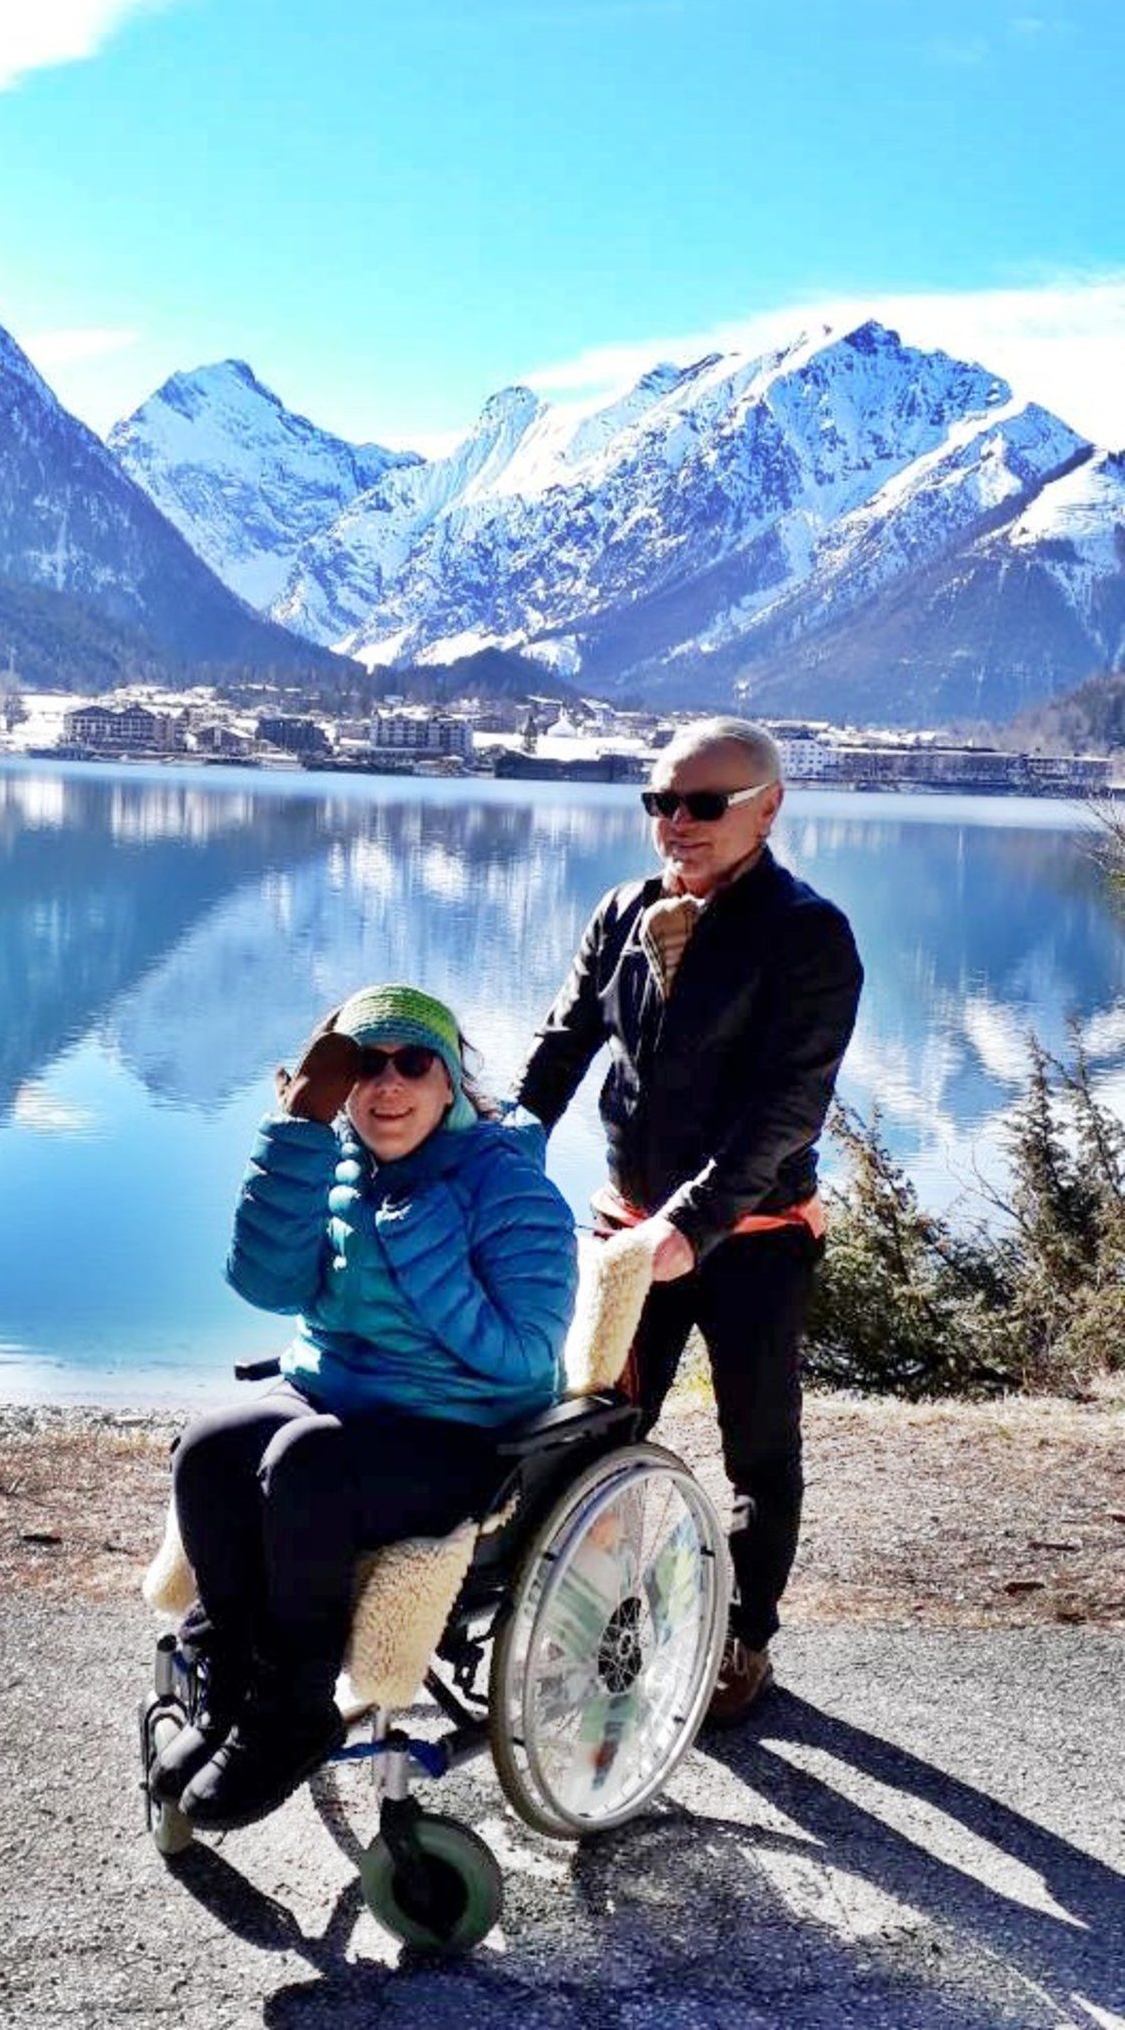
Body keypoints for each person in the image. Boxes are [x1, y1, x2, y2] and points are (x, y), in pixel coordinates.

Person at [153, 983, 578, 1830]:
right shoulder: (337, 1162)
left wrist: (420, 1237)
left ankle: (292, 1709)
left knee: (304, 1466)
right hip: (333, 1397)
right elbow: (266, 1284)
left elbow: (525, 1353)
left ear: (450, 1081)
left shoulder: (509, 1187)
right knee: (208, 1448)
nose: (388, 1085)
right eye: (362, 1066)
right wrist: (298, 1137)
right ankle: (233, 1682)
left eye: (412, 1063)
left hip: (462, 1430)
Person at [513, 718, 863, 1725]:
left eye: (702, 803)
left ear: (768, 807)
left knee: (758, 1443)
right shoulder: (624, 909)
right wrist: (492, 1152)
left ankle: (742, 1636)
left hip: (754, 1239)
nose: (675, 822)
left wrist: (692, 1223)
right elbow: (562, 1045)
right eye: (659, 801)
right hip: (626, 1230)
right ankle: (596, 1616)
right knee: (591, 1431)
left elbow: (788, 1107)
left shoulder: (809, 933)